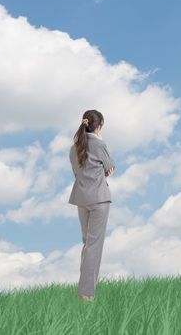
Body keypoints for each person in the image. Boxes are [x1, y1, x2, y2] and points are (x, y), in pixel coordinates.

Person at [68, 109, 115, 302]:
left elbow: (77, 172)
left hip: (81, 198)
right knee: (94, 246)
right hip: (99, 199)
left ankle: (86, 289)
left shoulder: (74, 147)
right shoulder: (98, 143)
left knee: (87, 245)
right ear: (99, 125)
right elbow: (110, 167)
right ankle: (86, 293)